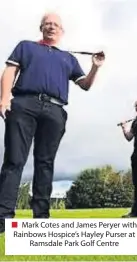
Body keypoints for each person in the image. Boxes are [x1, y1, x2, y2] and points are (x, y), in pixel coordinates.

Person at [0, 13, 105, 233]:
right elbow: (10, 70)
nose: (51, 26)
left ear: (61, 31)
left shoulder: (68, 57)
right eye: (47, 23)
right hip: (24, 104)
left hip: (55, 110)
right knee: (14, 160)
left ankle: (41, 217)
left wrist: (95, 66)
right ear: (41, 28)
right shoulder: (26, 46)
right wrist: (4, 99)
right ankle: (3, 217)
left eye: (55, 24)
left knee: (45, 162)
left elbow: (84, 85)